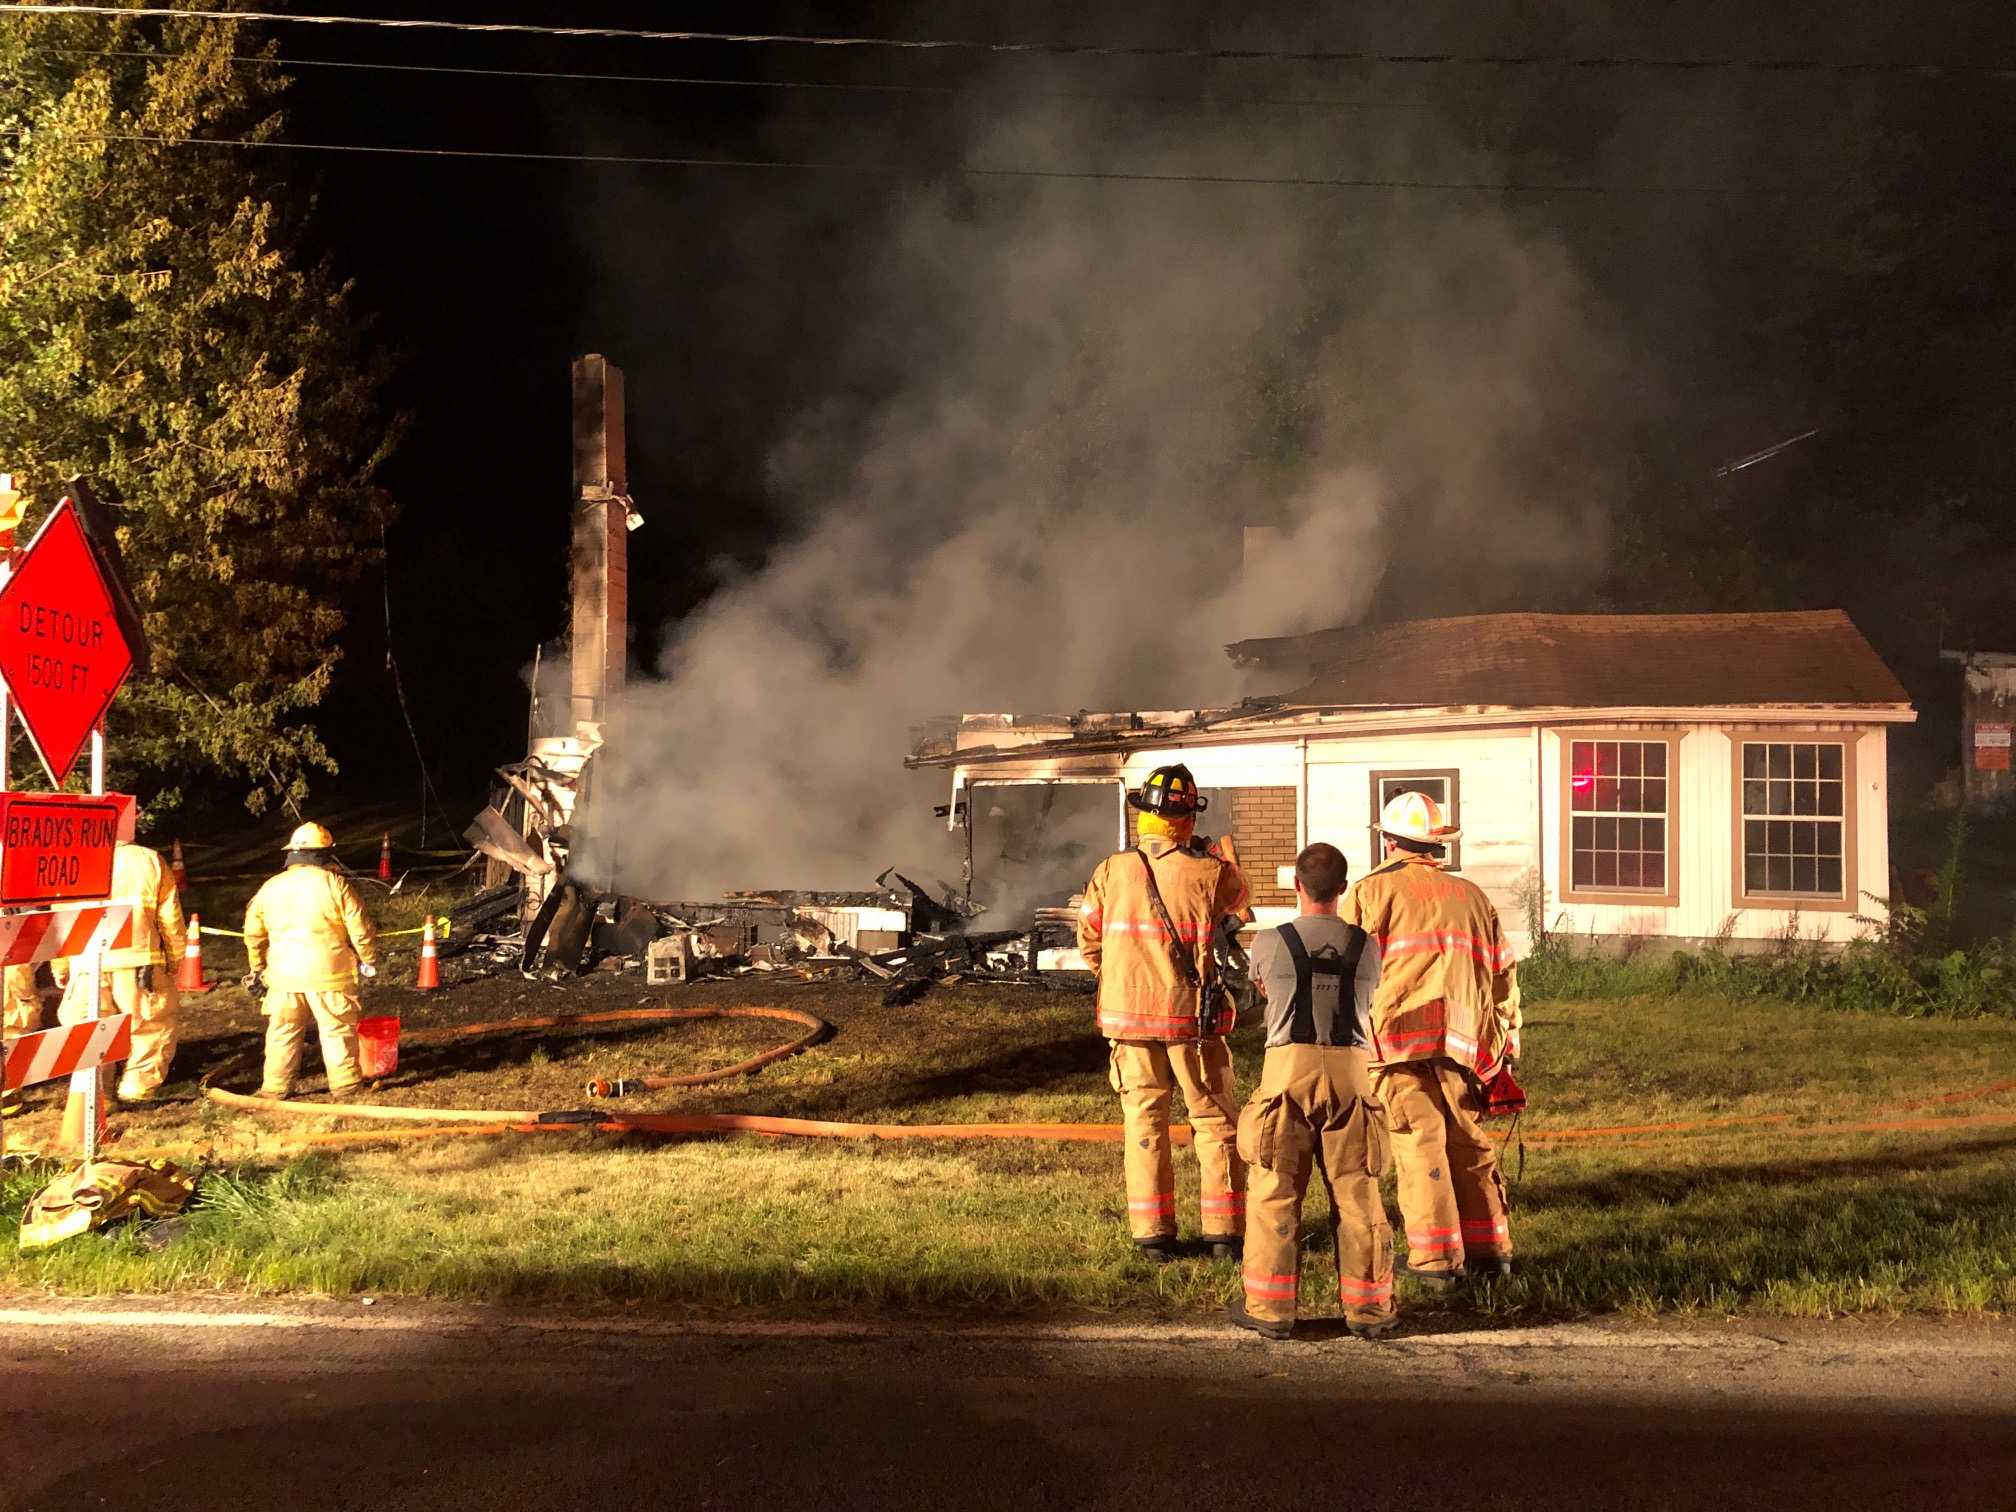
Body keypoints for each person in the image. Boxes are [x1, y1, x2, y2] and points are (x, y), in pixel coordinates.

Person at [1342, 791, 1520, 1288]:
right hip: (1465, 1046)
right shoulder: (1473, 897)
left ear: (1389, 842)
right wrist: (1507, 1046)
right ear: (1437, 845)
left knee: (1420, 1146)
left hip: (1395, 1044)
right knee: (1469, 1144)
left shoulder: (1368, 894)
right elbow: (1503, 979)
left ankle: (1437, 1264)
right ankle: (1492, 1252)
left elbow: (1348, 975)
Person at [1077, 764, 1251, 1260]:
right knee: (1214, 1121)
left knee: (1145, 1123)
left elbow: (1089, 937)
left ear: (1144, 817)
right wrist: (1213, 853)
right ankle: (1224, 1233)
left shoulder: (1111, 870)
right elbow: (1242, 899)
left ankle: (1153, 1235)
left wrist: (1118, 981)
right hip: (1190, 1022)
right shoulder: (1208, 872)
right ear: (1187, 820)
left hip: (1128, 1022)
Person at [1227, 842, 1396, 1340]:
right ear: (1343, 889)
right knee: (1359, 1194)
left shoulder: (1268, 942)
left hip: (1287, 1073)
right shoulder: (1368, 946)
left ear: (1297, 886)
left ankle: (1270, 1309)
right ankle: (1371, 1311)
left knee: (1276, 1192)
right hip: (1352, 1074)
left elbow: (1263, 990)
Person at [51, 797, 187, 1102]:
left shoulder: (74, 858)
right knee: (150, 1024)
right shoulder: (150, 860)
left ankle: (96, 1095)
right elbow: (170, 917)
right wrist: (175, 958)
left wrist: (61, 967)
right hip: (139, 959)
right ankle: (136, 1086)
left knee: (90, 1028)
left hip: (86, 961)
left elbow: (59, 919)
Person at [243, 822, 381, 1099]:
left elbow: (253, 933)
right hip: (330, 975)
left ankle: (274, 1087)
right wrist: (368, 958)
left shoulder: (270, 887)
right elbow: (360, 928)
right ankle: (346, 1086)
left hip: (283, 976)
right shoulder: (335, 885)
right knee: (336, 1030)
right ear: (325, 854)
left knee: (283, 1031)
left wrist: (257, 967)